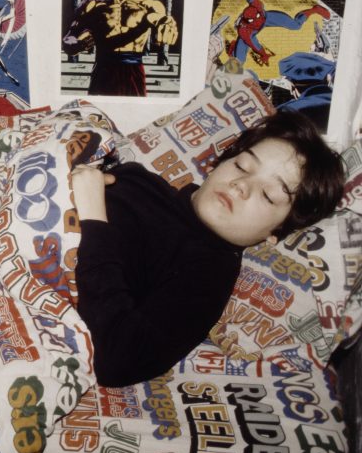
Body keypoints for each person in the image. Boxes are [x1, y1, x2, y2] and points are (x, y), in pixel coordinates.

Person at [70, 109, 344, 387]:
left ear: (277, 233)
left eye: (268, 195)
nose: (241, 185)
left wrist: (93, 216)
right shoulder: (137, 176)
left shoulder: (208, 275)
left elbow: (117, 361)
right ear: (219, 163)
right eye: (242, 166)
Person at [62, 0, 179, 96]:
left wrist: (166, 23)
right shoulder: (91, 4)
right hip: (102, 72)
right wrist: (77, 44)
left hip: (134, 73)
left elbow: (162, 20)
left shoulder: (150, 6)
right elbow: (68, 39)